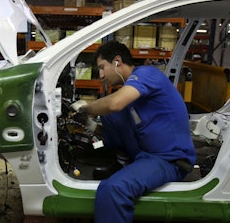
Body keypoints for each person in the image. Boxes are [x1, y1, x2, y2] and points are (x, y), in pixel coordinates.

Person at [73, 40, 196, 223]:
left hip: (169, 159)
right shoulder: (132, 90)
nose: (100, 75)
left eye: (102, 67)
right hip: (144, 154)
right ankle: (119, 162)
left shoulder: (147, 74)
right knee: (109, 116)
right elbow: (112, 115)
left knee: (113, 190)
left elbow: (114, 104)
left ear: (117, 61)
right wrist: (92, 137)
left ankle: (122, 175)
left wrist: (86, 108)